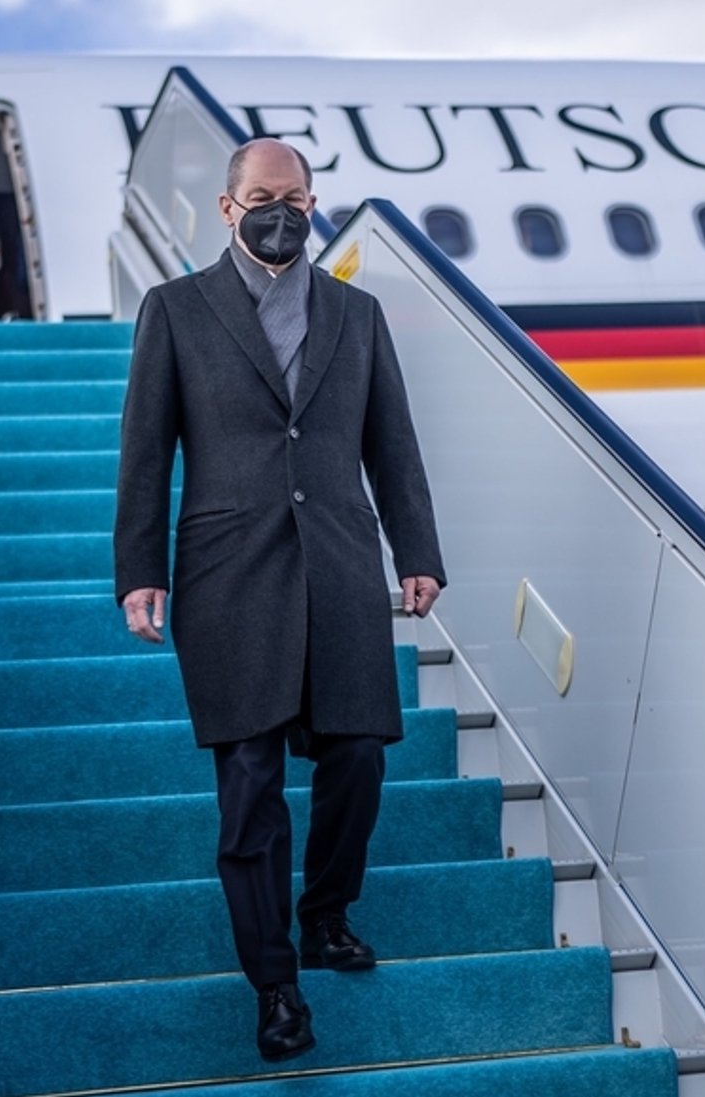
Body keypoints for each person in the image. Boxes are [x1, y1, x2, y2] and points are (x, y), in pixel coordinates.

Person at [113, 139, 445, 1064]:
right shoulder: (175, 310)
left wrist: (417, 550)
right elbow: (146, 451)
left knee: (360, 757)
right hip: (228, 574)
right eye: (263, 197)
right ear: (227, 208)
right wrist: (140, 568)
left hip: (339, 564)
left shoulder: (358, 313)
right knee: (251, 785)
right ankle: (276, 984)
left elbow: (395, 445)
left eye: (296, 198)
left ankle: (326, 913)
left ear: (313, 204)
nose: (281, 212)